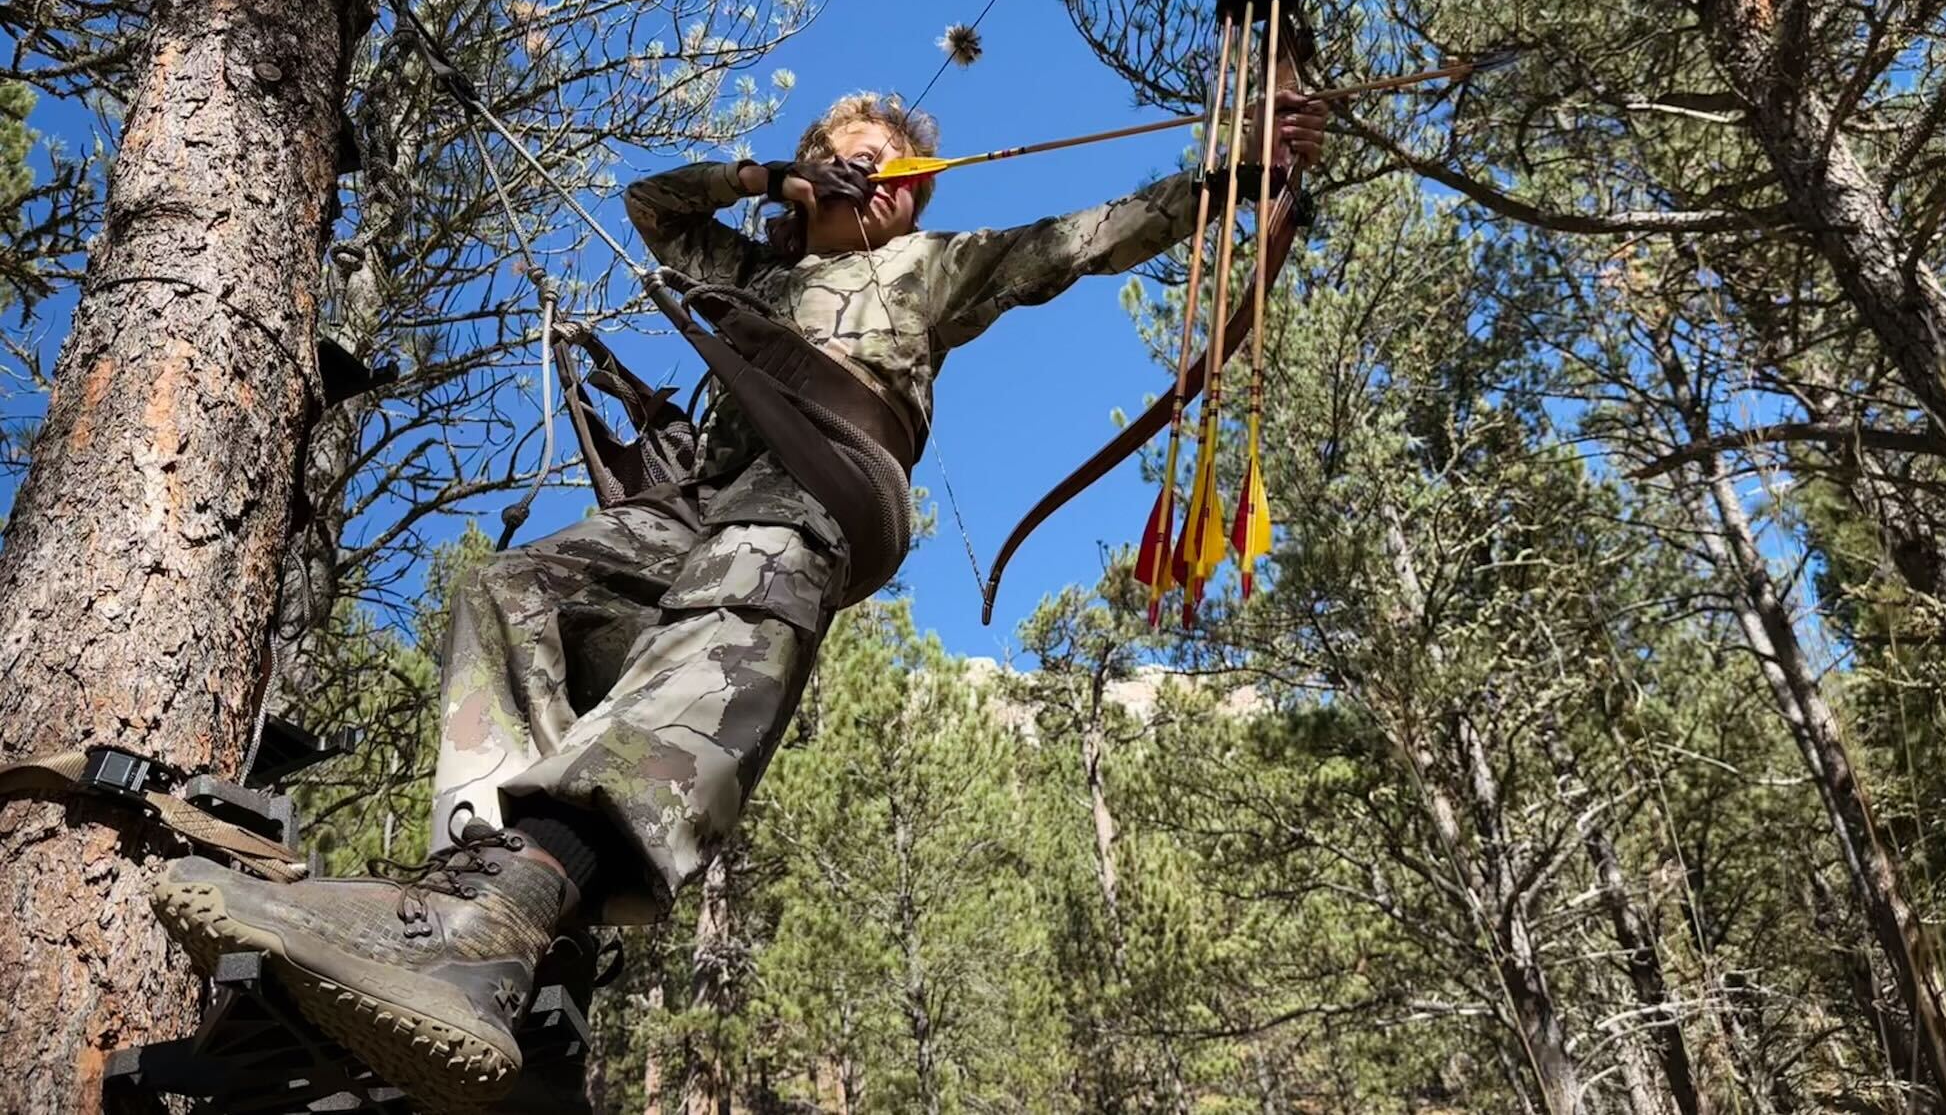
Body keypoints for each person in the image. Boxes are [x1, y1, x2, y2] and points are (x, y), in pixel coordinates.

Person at [149, 89, 1329, 1108]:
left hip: (819, 477)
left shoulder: (929, 265)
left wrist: (1233, 174)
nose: (872, 181)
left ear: (914, 197)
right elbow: (654, 210)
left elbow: (1081, 237)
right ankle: (481, 900)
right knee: (516, 590)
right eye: (849, 158)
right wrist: (764, 174)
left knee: (731, 618)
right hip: (693, 500)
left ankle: (515, 901)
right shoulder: (754, 271)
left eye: (889, 169)